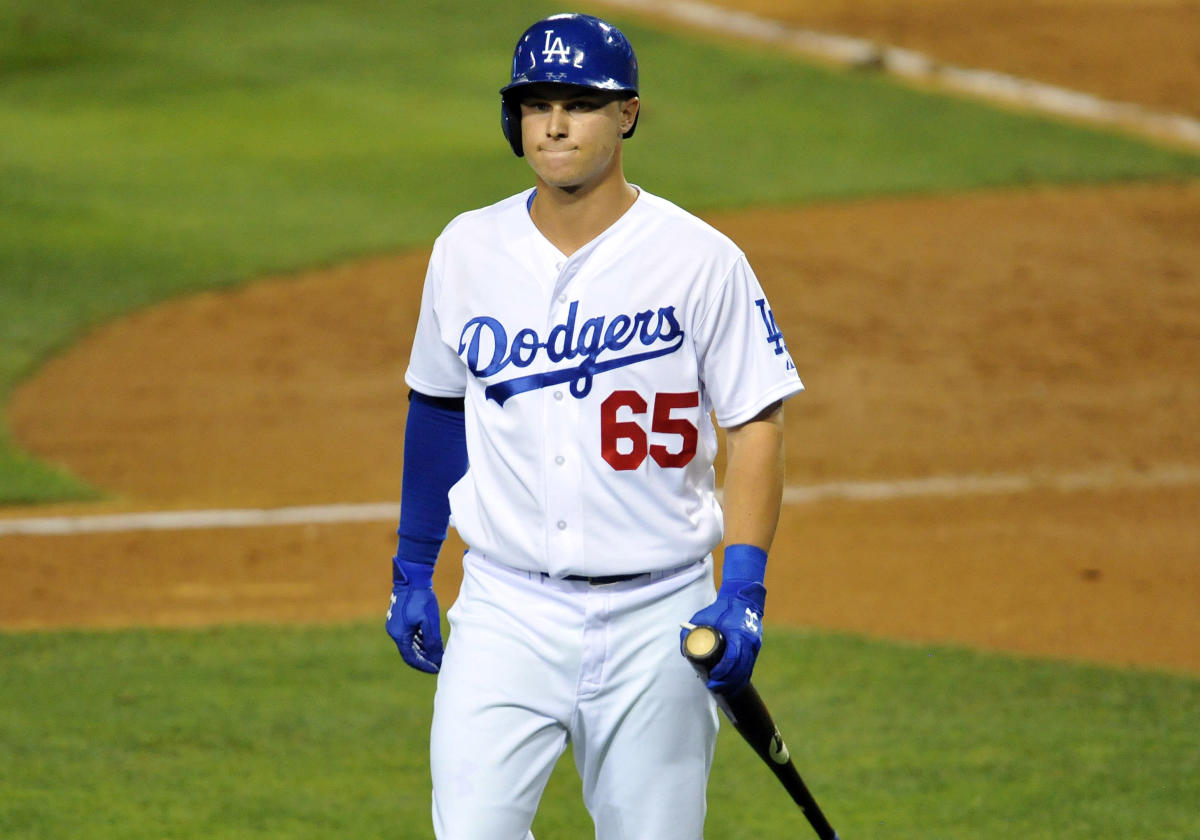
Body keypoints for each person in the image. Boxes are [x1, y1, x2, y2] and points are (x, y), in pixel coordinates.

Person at [385, 12, 803, 839]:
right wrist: (410, 567)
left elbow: (755, 423)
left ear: (628, 114)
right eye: (537, 103)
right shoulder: (466, 249)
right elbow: (436, 406)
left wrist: (744, 589)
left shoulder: (700, 258)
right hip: (504, 610)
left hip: (659, 618)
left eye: (578, 102)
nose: (555, 123)